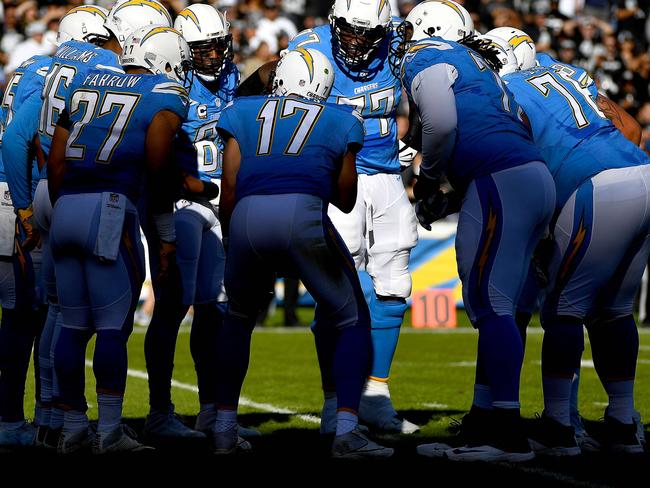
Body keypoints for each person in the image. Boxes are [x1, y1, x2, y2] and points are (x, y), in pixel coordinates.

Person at [213, 48, 392, 458]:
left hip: (245, 216)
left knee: (238, 319)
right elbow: (346, 199)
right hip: (302, 214)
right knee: (351, 318)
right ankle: (346, 429)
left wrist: (231, 237)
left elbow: (231, 185)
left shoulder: (242, 112)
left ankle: (223, 428)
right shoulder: (341, 118)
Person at [397, 1, 555, 462]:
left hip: (501, 180)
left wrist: (428, 178)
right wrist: (449, 193)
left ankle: (504, 430)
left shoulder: (426, 57)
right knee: (494, 303)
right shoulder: (480, 65)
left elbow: (442, 125)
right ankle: (485, 420)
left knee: (492, 304)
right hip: (525, 176)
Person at [47, 25, 191, 454]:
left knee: (71, 326)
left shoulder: (86, 81)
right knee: (112, 326)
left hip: (67, 204)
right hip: (110, 208)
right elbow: (158, 163)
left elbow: (56, 161)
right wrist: (168, 224)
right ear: (166, 62)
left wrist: (66, 208)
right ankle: (109, 431)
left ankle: (73, 427)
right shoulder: (164, 92)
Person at [503, 44, 650, 456]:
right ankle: (622, 421)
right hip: (642, 172)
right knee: (614, 312)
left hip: (597, 188)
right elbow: (633, 130)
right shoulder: (566, 73)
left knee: (563, 311)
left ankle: (559, 425)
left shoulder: (507, 87)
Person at [284, 0, 419, 435]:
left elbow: (436, 93)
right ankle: (334, 403)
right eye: (351, 31)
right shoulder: (309, 50)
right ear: (334, 23)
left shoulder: (402, 39)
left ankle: (376, 394)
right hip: (339, 179)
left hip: (388, 175)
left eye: (368, 34)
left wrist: (415, 142)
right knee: (338, 292)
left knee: (395, 285)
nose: (358, 42)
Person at [0, 5, 111, 449]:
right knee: (26, 315)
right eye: (100, 43)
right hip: (16, 190)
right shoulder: (52, 72)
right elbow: (15, 140)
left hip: (17, 187)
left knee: (38, 312)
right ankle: (15, 419)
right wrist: (26, 209)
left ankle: (40, 414)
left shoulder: (37, 66)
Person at [141, 3, 238, 441]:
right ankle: (159, 410)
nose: (214, 57)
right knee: (171, 307)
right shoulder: (168, 83)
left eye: (218, 47)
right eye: (202, 50)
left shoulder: (235, 81)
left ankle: (209, 408)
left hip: (220, 205)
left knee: (215, 310)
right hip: (182, 202)